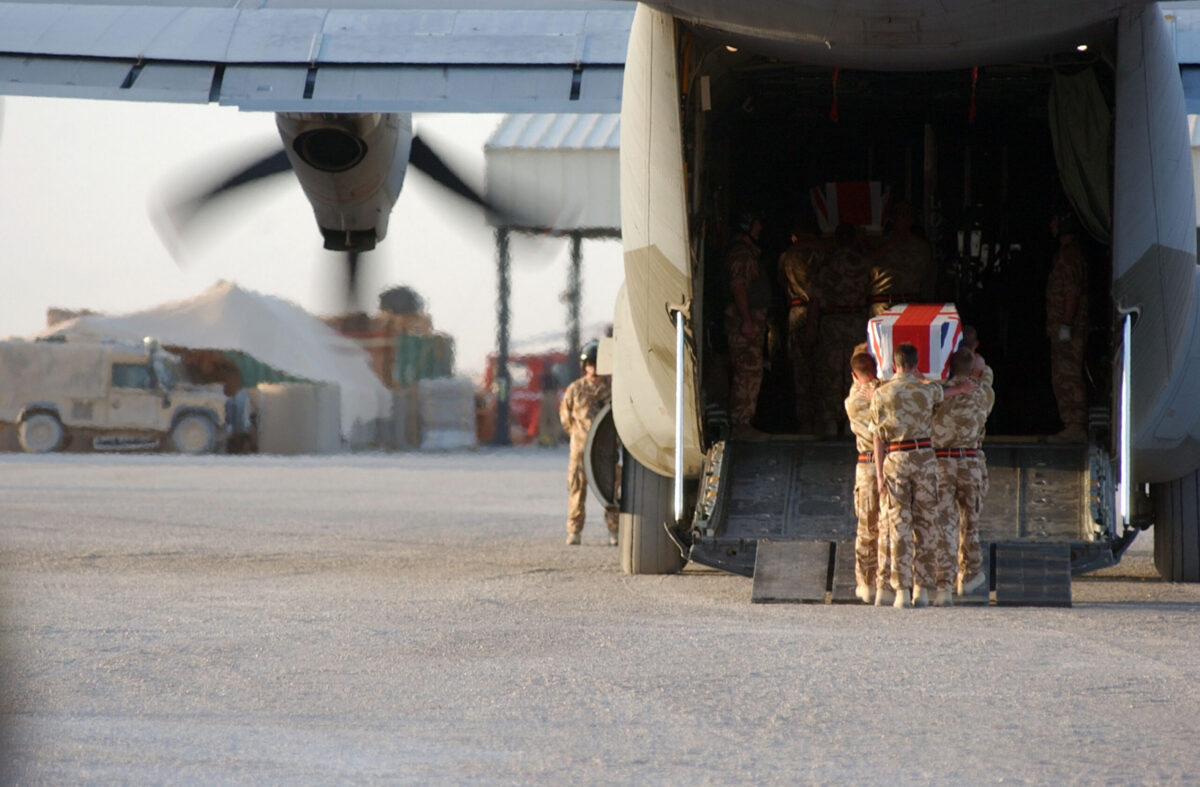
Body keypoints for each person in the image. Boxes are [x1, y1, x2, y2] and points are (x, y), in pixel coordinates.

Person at [871, 343, 977, 607]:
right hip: (924, 459)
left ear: (895, 364)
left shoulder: (881, 394)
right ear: (916, 364)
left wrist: (879, 475)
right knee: (927, 524)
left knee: (899, 525)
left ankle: (901, 592)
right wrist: (961, 388)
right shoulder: (926, 390)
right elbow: (946, 391)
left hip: (895, 459)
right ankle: (923, 589)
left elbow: (877, 437)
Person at [930, 348, 994, 605]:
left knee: (945, 525)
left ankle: (943, 585)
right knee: (971, 521)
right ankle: (969, 575)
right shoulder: (984, 393)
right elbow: (985, 377)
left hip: (942, 462)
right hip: (970, 462)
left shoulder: (937, 393)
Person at [814, 223, 873, 436]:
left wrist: (812, 325)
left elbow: (815, 297)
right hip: (856, 319)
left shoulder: (827, 264)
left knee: (830, 371)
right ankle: (852, 421)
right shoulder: (864, 263)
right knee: (857, 368)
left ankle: (830, 420)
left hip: (831, 320)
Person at [559, 341, 618, 546]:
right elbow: (566, 419)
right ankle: (574, 531)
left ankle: (614, 530)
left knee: (610, 490)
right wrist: (578, 436)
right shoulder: (575, 389)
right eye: (590, 363)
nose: (594, 367)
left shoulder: (613, 389)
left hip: (605, 450)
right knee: (577, 490)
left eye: (597, 363)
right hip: (580, 449)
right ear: (585, 365)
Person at [723, 211, 770, 434]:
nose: (760, 228)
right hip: (745, 324)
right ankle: (741, 423)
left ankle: (743, 422)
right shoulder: (741, 254)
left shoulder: (748, 253)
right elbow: (738, 287)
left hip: (751, 321)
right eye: (756, 223)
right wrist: (747, 321)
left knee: (750, 370)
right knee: (747, 371)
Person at [778, 220, 826, 432]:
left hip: (797, 310)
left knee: (801, 371)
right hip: (821, 313)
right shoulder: (821, 253)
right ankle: (822, 420)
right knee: (823, 369)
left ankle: (805, 423)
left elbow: (781, 282)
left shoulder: (787, 256)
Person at [1046, 211, 1089, 441]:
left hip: (1069, 331)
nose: (1051, 225)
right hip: (1065, 329)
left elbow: (1071, 292)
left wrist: (1066, 324)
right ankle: (1072, 423)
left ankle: (1075, 424)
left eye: (1055, 220)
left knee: (1068, 375)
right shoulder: (1065, 255)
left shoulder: (1069, 257)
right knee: (1063, 374)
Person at [845, 349, 882, 603]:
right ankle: (889, 581)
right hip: (890, 463)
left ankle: (866, 582)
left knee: (867, 528)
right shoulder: (888, 393)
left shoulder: (852, 401)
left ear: (853, 376)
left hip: (867, 467)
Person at [868, 201, 934, 317]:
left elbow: (928, 277)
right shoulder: (878, 244)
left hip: (911, 304)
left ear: (912, 220)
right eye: (898, 215)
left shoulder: (921, 247)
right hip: (883, 306)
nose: (901, 219)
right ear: (891, 219)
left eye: (906, 215)